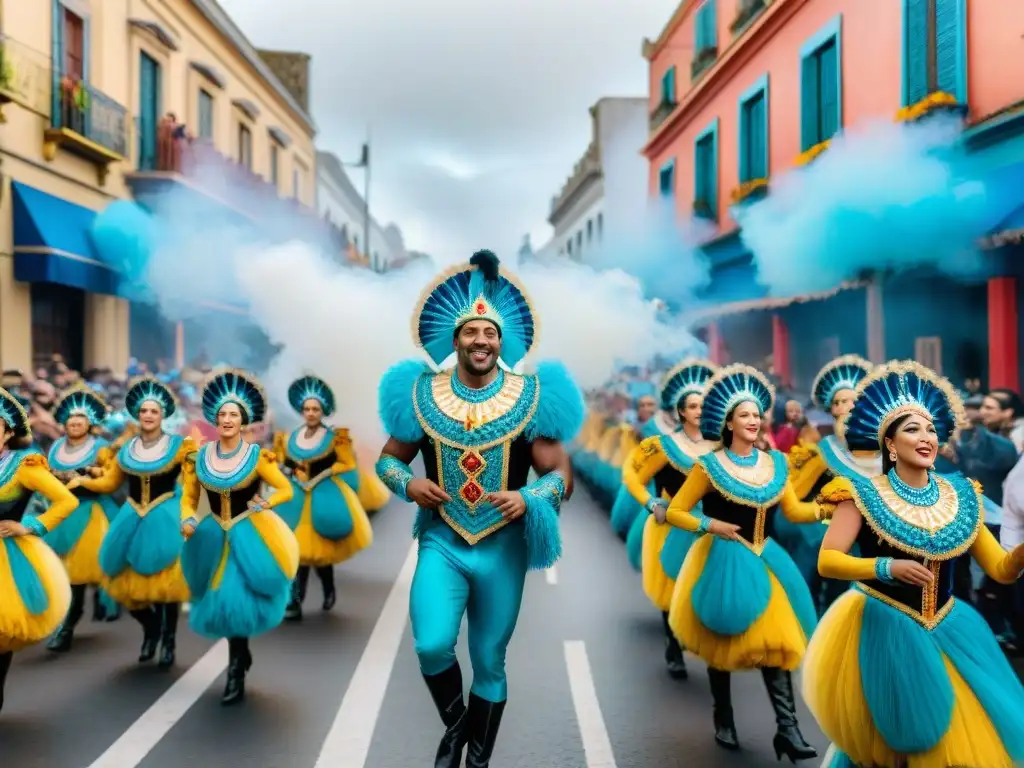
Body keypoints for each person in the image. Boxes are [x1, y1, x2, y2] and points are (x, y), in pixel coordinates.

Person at [375, 250, 584, 768]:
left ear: (502, 341)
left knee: (490, 659)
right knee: (432, 645)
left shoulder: (529, 397)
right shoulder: (422, 394)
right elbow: (386, 461)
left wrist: (529, 497)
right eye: (471, 332)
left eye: (489, 334)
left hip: (503, 548)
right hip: (443, 542)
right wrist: (408, 484)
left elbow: (562, 476)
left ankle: (475, 761)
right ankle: (456, 726)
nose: (482, 341)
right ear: (455, 340)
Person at [807, 361, 1024, 767]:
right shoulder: (859, 494)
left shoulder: (963, 495)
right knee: (894, 746)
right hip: (884, 625)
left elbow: (1000, 569)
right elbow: (829, 561)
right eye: (911, 429)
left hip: (950, 627)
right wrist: (885, 567)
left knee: (955, 739)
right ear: (889, 443)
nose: (925, 437)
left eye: (929, 429)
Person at [663, 364, 820, 760]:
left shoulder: (775, 463)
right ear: (729, 422)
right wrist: (709, 524)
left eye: (756, 415)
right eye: (744, 415)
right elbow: (676, 511)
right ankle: (723, 715)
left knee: (777, 643)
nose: (753, 420)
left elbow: (795, 512)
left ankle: (788, 728)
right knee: (722, 640)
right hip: (722, 558)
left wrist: (829, 508)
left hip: (765, 557)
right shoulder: (709, 466)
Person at [180, 369, 298, 705]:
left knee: (236, 596)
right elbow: (189, 498)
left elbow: (285, 488)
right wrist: (187, 518)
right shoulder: (200, 456)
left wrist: (266, 502)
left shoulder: (257, 457)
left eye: (233, 414)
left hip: (251, 532)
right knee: (219, 595)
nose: (227, 419)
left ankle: (234, 666)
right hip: (213, 534)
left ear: (243, 420)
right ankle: (239, 655)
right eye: (222, 414)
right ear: (214, 420)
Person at [622, 359, 717, 680]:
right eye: (693, 406)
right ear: (681, 412)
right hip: (669, 525)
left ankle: (698, 641)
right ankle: (674, 646)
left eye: (704, 405)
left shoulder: (718, 446)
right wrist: (651, 502)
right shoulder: (663, 446)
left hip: (705, 526)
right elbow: (632, 476)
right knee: (673, 588)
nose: (700, 410)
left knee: (701, 587)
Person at [91, 376, 193, 667]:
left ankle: (168, 642)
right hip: (131, 517)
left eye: (154, 411)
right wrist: (77, 481)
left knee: (167, 587)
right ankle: (151, 629)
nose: (148, 415)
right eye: (144, 411)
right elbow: (111, 483)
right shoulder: (126, 449)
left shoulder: (180, 446)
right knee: (122, 582)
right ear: (138, 414)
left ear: (163, 416)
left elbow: (194, 481)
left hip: (167, 517)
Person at [0, 387, 79, 712]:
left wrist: (30, 526)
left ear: (7, 432)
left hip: (7, 557)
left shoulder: (24, 464)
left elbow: (66, 500)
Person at [784, 356, 878, 614]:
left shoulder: (885, 447)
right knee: (836, 596)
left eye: (852, 400)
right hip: (832, 532)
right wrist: (826, 507)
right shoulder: (821, 452)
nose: (847, 407)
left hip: (879, 534)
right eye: (839, 403)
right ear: (832, 410)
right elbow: (794, 494)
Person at [274, 375, 373, 621]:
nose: (310, 413)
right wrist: (287, 471)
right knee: (297, 552)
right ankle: (294, 603)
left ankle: (328, 587)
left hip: (324, 497)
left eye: (315, 409)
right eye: (307, 409)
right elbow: (282, 462)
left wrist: (323, 474)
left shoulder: (335, 437)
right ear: (301, 410)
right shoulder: (289, 437)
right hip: (296, 500)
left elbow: (347, 463)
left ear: (323, 411)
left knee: (321, 553)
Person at [37, 383, 122, 652]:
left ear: (90, 423)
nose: (75, 423)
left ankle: (66, 628)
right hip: (61, 516)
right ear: (63, 422)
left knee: (76, 575)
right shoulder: (55, 447)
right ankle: (66, 619)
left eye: (80, 419)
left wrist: (86, 478)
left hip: (91, 515)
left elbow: (112, 480)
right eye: (71, 419)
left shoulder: (101, 447)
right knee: (58, 574)